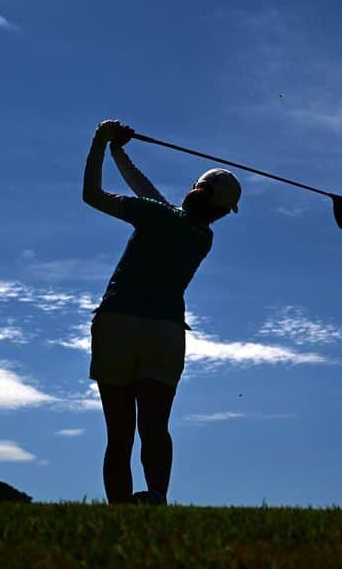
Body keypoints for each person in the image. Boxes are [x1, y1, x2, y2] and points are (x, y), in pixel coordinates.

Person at [82, 119, 241, 505]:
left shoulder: (156, 216)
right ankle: (156, 498)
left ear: (195, 189)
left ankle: (121, 513)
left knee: (119, 436)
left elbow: (92, 194)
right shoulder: (203, 237)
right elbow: (150, 195)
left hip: (118, 323)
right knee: (155, 429)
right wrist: (120, 152)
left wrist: (100, 141)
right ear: (220, 212)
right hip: (165, 335)